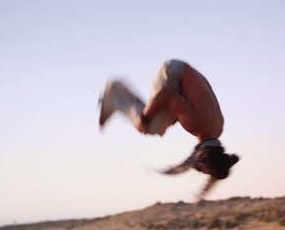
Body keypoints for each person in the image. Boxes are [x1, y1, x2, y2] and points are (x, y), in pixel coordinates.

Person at [99, 59, 239, 198]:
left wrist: (204, 191)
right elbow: (165, 93)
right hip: (174, 73)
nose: (199, 171)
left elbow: (215, 166)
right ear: (205, 156)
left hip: (182, 75)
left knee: (164, 123)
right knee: (153, 126)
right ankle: (113, 94)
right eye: (203, 170)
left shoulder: (216, 130)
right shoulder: (195, 124)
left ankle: (118, 96)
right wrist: (144, 118)